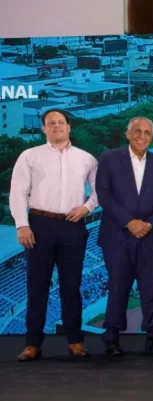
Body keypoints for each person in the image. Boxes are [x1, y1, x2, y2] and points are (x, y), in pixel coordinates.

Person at [10, 109, 98, 361]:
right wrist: (22, 225)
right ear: (43, 129)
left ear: (69, 127)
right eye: (51, 123)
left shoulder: (87, 159)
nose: (57, 126)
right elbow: (18, 192)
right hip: (40, 225)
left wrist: (87, 207)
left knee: (72, 287)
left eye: (61, 122)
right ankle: (32, 344)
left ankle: (75, 341)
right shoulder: (30, 156)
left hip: (73, 226)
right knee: (37, 287)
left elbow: (99, 191)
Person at [96, 117, 153, 356]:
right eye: (137, 131)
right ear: (127, 134)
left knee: (150, 289)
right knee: (117, 288)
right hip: (117, 236)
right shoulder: (109, 158)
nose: (142, 136)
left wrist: (148, 224)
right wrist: (129, 222)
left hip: (150, 236)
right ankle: (112, 338)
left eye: (147, 132)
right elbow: (103, 195)